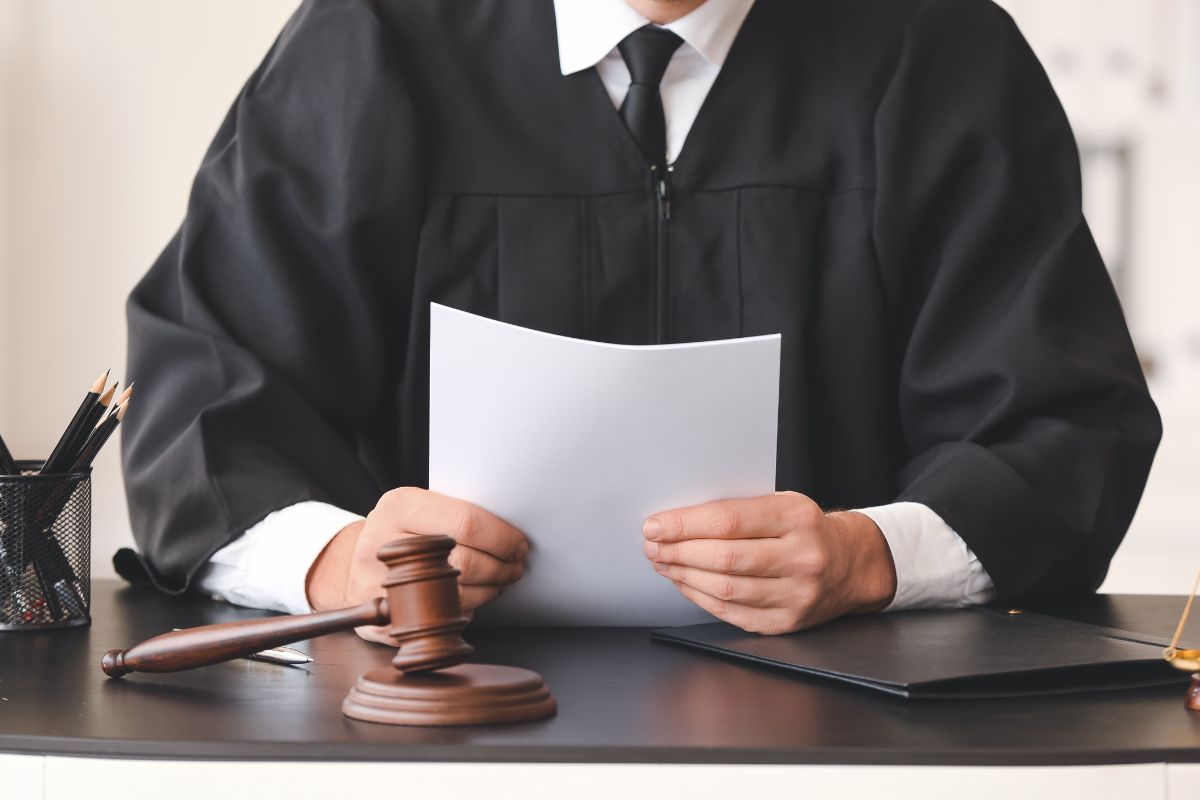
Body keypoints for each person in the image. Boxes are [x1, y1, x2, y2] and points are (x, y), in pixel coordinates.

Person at [120, 0, 1160, 640]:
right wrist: (341, 562)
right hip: (431, 722)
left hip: (845, 732)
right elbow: (204, 404)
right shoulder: (376, 40)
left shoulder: (937, 49)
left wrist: (867, 557)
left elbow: (1064, 426)